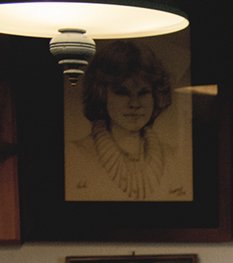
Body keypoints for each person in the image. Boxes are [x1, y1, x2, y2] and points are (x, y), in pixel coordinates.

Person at [64, 41, 186, 203]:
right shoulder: (75, 156)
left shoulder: (174, 158)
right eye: (122, 92)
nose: (134, 104)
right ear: (101, 95)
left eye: (143, 93)